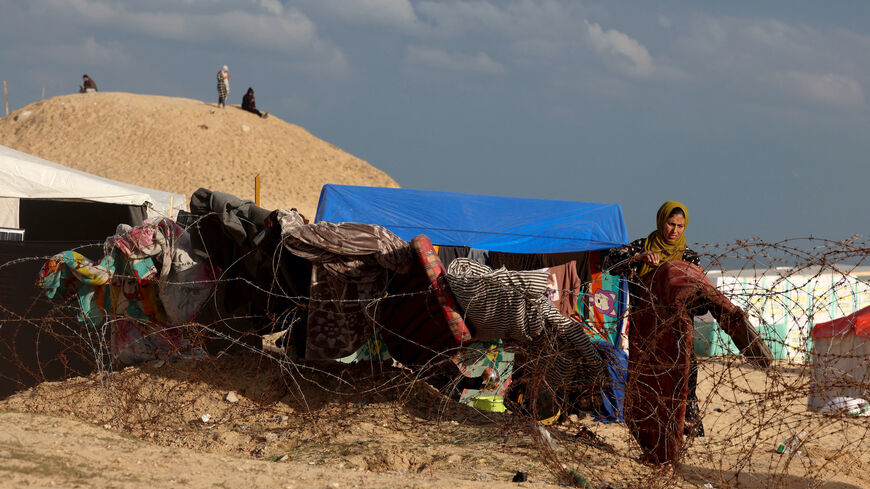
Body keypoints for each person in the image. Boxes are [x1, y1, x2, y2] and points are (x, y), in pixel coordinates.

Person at [604, 200, 772, 465]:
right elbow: (609, 263)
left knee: (685, 372)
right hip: (647, 325)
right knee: (650, 377)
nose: (675, 230)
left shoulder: (689, 256)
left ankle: (730, 316)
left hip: (679, 326)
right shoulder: (641, 246)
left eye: (680, 226)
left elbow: (696, 300)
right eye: (671, 224)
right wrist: (638, 259)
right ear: (661, 222)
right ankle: (655, 437)